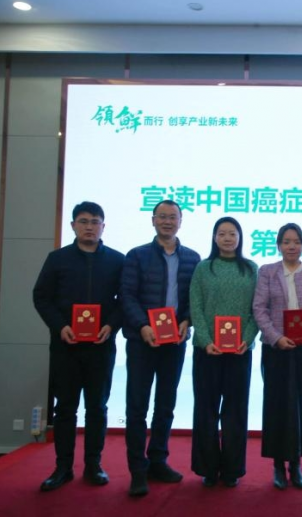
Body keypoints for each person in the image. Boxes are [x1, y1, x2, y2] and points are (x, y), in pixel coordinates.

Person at [33, 201, 124, 492]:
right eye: (83, 221)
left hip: (100, 346)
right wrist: (61, 326)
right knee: (65, 409)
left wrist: (112, 325)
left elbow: (125, 300)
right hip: (66, 346)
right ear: (73, 225)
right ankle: (63, 467)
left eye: (95, 222)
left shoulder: (117, 260)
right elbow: (41, 297)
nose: (89, 227)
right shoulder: (57, 259)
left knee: (97, 408)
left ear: (103, 227)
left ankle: (93, 465)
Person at [121, 200, 201, 497]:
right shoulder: (137, 255)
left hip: (174, 342)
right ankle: (137, 469)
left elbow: (194, 298)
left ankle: (158, 461)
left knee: (165, 405)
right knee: (137, 406)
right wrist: (143, 325)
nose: (168, 221)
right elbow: (126, 295)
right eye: (162, 217)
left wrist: (187, 320)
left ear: (181, 221)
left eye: (173, 217)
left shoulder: (192, 258)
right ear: (153, 220)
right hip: (141, 341)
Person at [252, 223, 302, 490]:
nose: (291, 246)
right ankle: (277, 464)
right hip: (276, 348)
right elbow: (259, 309)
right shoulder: (267, 271)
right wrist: (276, 337)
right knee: (276, 404)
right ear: (278, 245)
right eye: (286, 241)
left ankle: (295, 463)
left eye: (296, 241)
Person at [190, 217, 259, 488]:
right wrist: (206, 340)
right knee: (205, 410)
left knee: (235, 412)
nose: (227, 238)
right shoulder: (203, 268)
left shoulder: (251, 269)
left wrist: (247, 339)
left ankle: (232, 470)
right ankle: (207, 468)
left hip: (239, 352)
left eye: (232, 234)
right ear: (214, 237)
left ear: (239, 238)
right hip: (207, 351)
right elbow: (195, 305)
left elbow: (257, 309)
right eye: (222, 233)